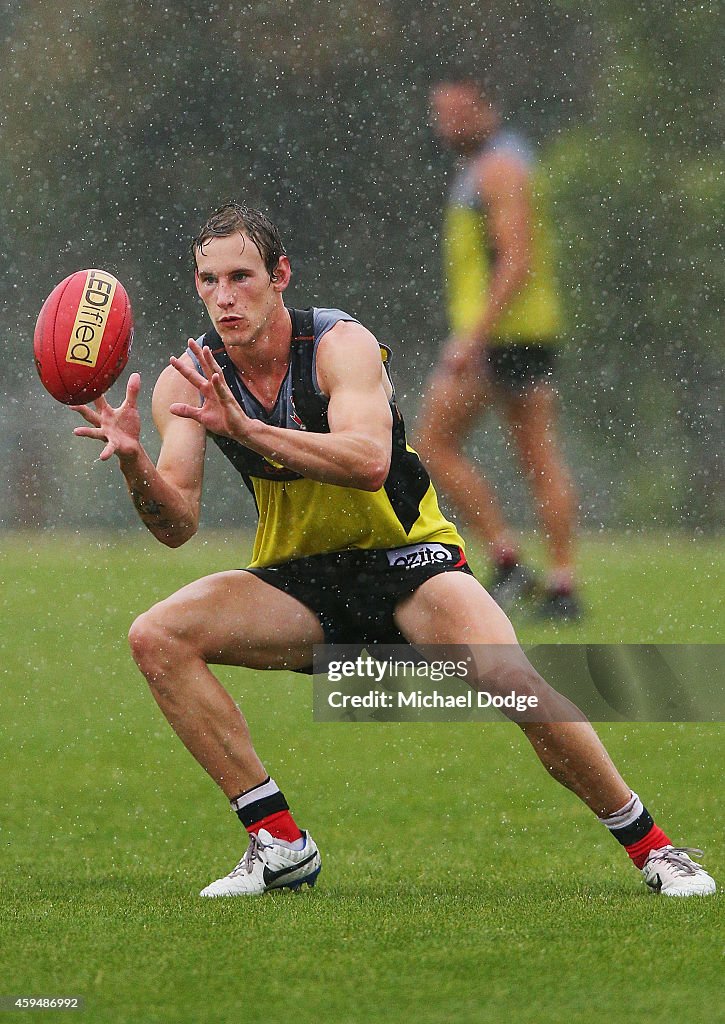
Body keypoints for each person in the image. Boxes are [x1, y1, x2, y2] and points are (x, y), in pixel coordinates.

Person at [71, 202, 715, 898]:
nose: (225, 297)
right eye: (208, 281)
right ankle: (279, 843)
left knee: (515, 684)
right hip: (301, 581)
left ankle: (654, 848)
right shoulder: (189, 382)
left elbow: (368, 461)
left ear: (279, 275)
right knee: (157, 636)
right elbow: (177, 525)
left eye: (241, 276)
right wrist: (137, 461)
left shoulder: (338, 346)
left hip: (407, 564)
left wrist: (250, 431)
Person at [415, 78, 580, 618]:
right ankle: (561, 586)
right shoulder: (490, 165)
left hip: (502, 337)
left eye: (461, 112)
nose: (450, 125)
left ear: (490, 108)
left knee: (432, 443)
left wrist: (472, 337)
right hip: (521, 333)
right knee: (537, 456)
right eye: (442, 114)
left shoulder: (499, 168)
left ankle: (509, 559)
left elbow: (515, 259)